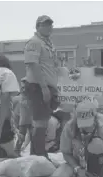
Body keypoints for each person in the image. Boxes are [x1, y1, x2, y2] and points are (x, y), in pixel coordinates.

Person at [51, 101, 103, 177]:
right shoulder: (69, 128)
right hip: (77, 163)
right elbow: (66, 153)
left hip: (97, 166)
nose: (86, 128)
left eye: (88, 124)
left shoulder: (102, 129)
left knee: (96, 144)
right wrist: (77, 168)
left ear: (95, 118)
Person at [24, 15, 61, 160]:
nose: (48, 27)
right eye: (45, 25)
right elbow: (33, 65)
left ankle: (39, 153)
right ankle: (38, 154)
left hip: (49, 85)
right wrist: (44, 87)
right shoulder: (34, 42)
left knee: (44, 121)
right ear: (38, 26)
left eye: (50, 25)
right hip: (37, 86)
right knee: (40, 122)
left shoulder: (49, 44)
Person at [14, 78, 33, 155]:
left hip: (30, 120)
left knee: (32, 138)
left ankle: (32, 152)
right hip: (24, 121)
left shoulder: (32, 97)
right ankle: (16, 151)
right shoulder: (19, 98)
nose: (24, 89)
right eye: (22, 87)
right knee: (22, 137)